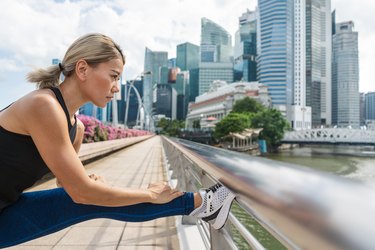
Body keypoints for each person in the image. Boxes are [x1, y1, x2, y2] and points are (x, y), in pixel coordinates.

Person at [0, 33, 235, 248]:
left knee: (90, 197)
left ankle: (202, 204)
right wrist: (149, 194)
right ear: (82, 69)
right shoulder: (44, 105)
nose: (116, 89)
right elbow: (81, 192)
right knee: (90, 196)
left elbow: (68, 186)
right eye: (113, 77)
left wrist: (89, 182)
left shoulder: (77, 127)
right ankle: (201, 203)